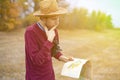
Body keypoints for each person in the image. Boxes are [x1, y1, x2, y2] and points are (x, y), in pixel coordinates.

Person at [24, 0, 73, 80]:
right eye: (54, 19)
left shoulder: (54, 30)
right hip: (35, 77)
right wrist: (49, 41)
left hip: (49, 76)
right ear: (43, 18)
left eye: (58, 18)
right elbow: (37, 60)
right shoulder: (30, 32)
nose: (57, 22)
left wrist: (62, 57)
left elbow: (54, 50)